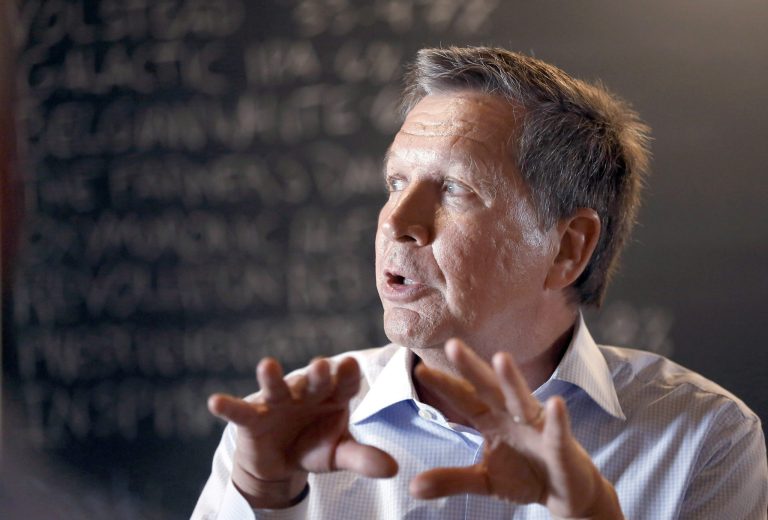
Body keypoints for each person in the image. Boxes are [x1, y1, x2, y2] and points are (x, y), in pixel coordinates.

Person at [192, 46, 767, 520]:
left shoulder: (702, 437)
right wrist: (266, 499)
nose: (396, 222)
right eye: (396, 181)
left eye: (455, 190)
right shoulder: (283, 431)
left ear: (568, 248)